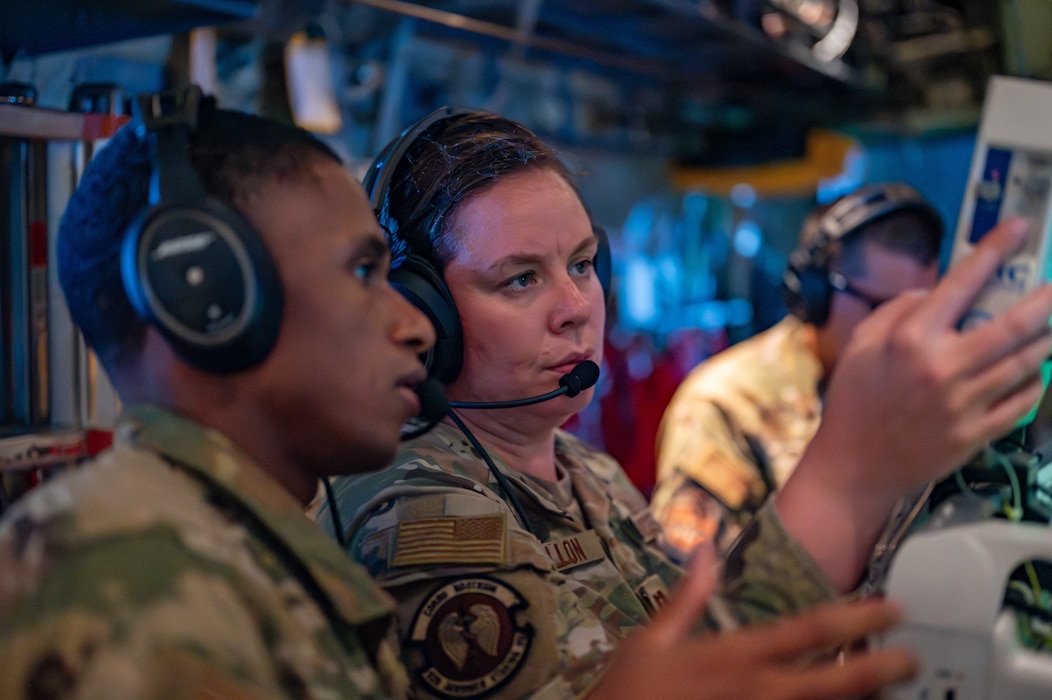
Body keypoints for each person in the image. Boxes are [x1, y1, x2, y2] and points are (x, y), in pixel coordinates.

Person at [0, 87, 924, 700]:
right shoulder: (136, 566)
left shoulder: (234, 547)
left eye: (584, 266)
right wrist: (843, 481)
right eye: (362, 275)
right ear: (217, 307)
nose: (405, 327)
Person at [321, 106, 1052, 699]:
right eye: (520, 280)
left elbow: (704, 646)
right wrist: (850, 471)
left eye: (581, 265)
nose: (577, 307)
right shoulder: (410, 504)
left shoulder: (586, 471)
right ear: (421, 316)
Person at [0, 86, 437, 698]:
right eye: (362, 272)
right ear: (205, 296)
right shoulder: (138, 581)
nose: (416, 326)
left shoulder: (220, 550)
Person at [651, 183, 944, 560]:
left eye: (919, 314)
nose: (906, 336)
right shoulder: (725, 404)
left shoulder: (918, 389)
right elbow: (694, 590)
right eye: (881, 310)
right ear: (816, 292)